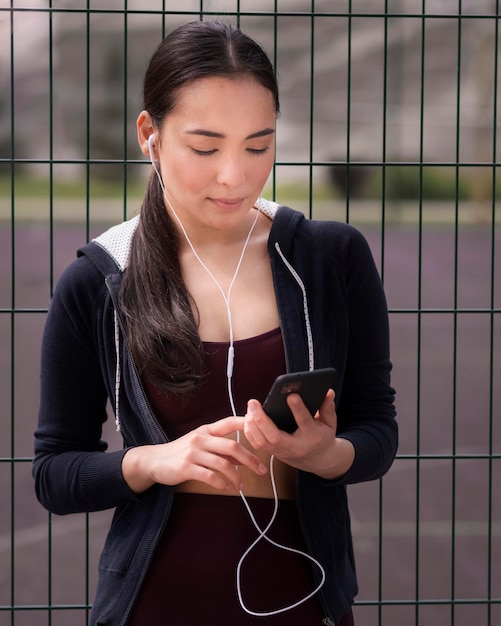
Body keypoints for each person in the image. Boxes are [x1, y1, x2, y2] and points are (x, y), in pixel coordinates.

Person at [33, 20, 397, 626]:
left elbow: (376, 434)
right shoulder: (101, 279)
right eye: (205, 147)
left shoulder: (330, 260)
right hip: (154, 602)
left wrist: (323, 453)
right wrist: (155, 461)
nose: (235, 175)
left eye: (258, 146)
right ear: (149, 134)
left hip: (301, 598)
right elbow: (55, 473)